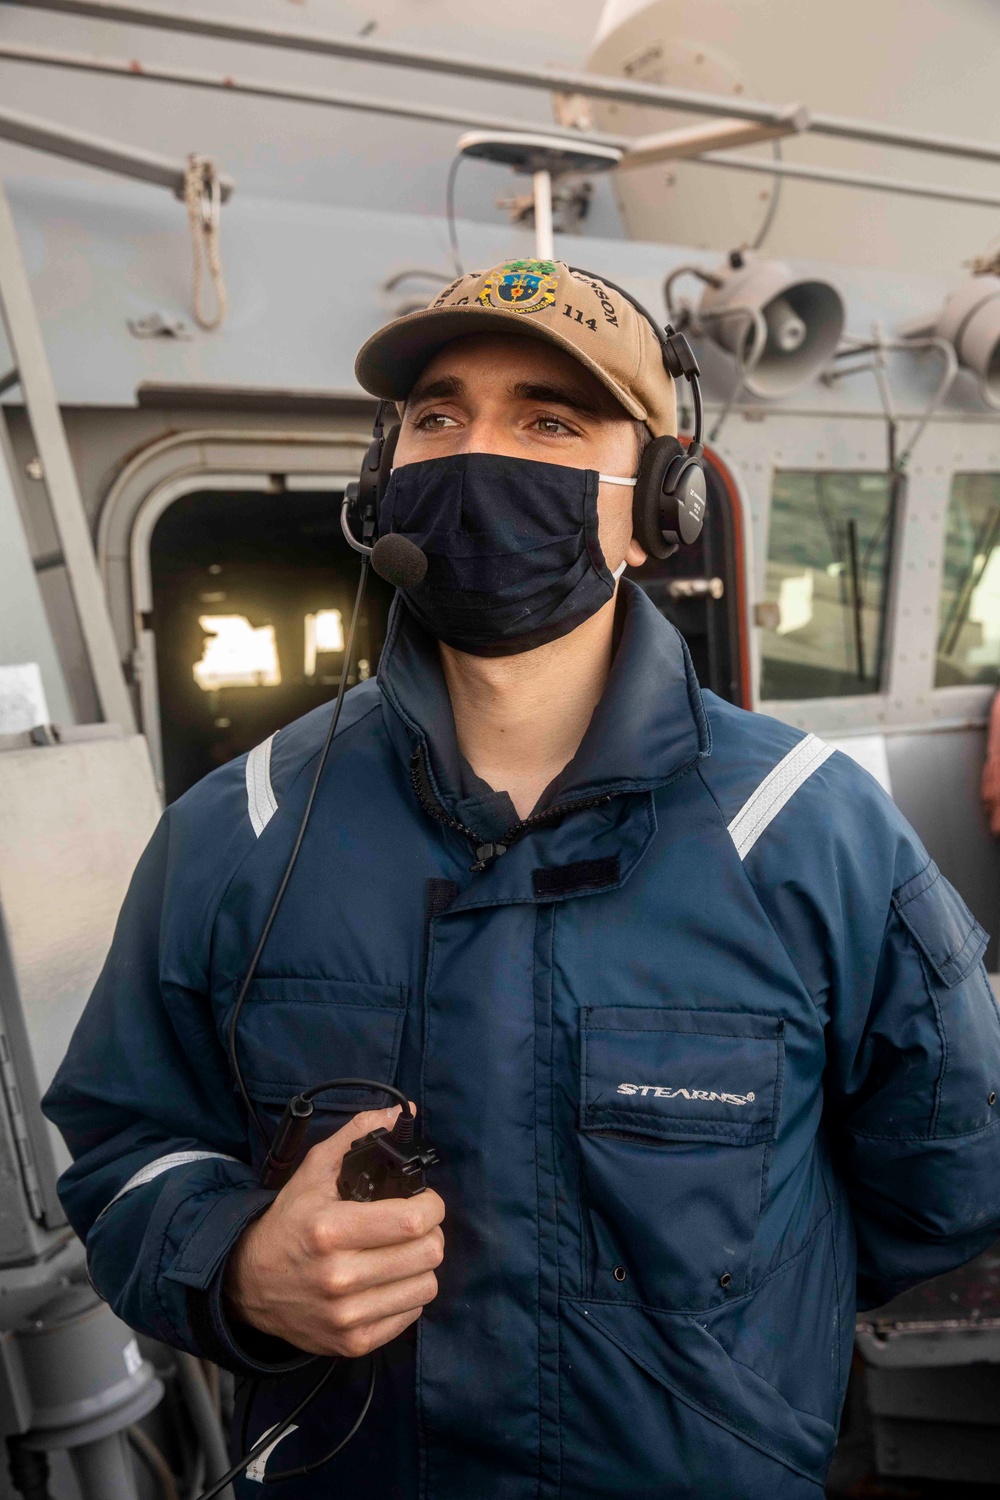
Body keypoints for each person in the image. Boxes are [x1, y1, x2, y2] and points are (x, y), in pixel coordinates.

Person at [44, 260, 1000, 1500]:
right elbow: (126, 1142)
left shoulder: (811, 832)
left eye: (548, 419)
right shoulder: (238, 828)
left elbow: (950, 1181)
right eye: (438, 417)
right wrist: (232, 1262)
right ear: (384, 481)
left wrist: (731, 1363)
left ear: (659, 501)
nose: (475, 452)